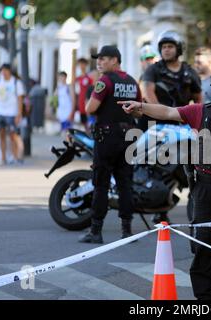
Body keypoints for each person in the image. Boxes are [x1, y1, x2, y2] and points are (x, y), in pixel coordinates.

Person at [120, 69, 211, 300]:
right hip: (205, 186)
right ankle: (205, 298)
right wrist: (140, 106)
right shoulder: (200, 111)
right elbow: (168, 112)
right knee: (203, 244)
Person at [79, 45, 142, 244]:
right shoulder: (132, 82)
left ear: (115, 60)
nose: (99, 62)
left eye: (104, 58)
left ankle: (96, 231)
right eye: (98, 59)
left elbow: (90, 108)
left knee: (101, 185)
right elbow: (139, 111)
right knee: (125, 184)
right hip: (128, 137)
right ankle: (127, 231)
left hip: (107, 138)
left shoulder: (104, 81)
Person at [141, 30, 202, 223]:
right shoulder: (154, 70)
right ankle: (158, 209)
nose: (166, 50)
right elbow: (148, 92)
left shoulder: (190, 72)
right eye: (164, 47)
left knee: (183, 166)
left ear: (179, 49)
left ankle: (195, 207)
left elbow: (199, 101)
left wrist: (194, 121)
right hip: (155, 122)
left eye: (170, 47)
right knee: (151, 163)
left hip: (181, 126)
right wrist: (161, 112)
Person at [0, 63, 25, 165]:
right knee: (1, 135)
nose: (3, 72)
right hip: (0, 112)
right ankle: (3, 157)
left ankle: (15, 157)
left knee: (12, 136)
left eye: (5, 70)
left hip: (12, 113)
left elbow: (20, 99)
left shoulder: (16, 82)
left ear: (10, 71)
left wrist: (19, 114)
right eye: (2, 70)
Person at [75, 58, 93, 132]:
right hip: (80, 101)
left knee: (88, 118)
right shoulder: (77, 78)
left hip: (87, 101)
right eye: (80, 64)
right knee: (83, 119)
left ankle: (89, 132)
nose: (82, 66)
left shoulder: (89, 78)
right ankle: (86, 131)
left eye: (83, 64)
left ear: (86, 65)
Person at [54, 71, 74, 136]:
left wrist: (71, 112)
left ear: (65, 77)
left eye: (63, 77)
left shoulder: (69, 87)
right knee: (63, 132)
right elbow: (54, 97)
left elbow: (73, 100)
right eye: (60, 77)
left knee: (67, 131)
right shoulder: (59, 87)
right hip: (61, 112)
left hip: (67, 111)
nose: (61, 78)